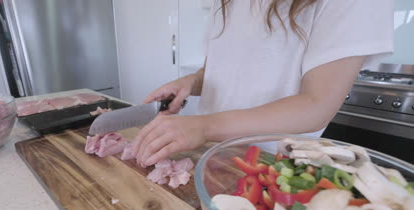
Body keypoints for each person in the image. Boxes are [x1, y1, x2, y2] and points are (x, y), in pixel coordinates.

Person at [132, 0, 394, 167]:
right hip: (210, 156)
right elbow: (219, 67)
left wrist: (204, 126)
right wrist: (191, 81)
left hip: (274, 166)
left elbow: (317, 104)